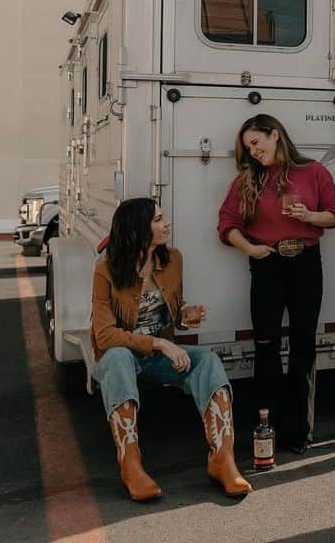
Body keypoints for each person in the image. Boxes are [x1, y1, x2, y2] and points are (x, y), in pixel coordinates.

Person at [90, 198, 251, 501]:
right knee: (118, 357)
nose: (166, 224)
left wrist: (185, 315)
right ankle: (131, 465)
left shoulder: (173, 260)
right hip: (122, 356)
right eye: (158, 220)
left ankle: (222, 459)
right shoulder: (106, 270)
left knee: (207, 361)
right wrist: (160, 343)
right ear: (137, 229)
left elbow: (171, 312)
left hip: (157, 357)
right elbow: (105, 336)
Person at [217, 114, 335, 454]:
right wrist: (251, 249)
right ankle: (266, 428)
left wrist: (309, 217)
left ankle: (299, 433)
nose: (253, 151)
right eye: (248, 148)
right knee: (266, 346)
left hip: (305, 263)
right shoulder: (247, 179)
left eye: (256, 143)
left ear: (275, 135)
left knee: (303, 345)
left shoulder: (314, 172)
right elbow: (226, 224)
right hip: (266, 264)